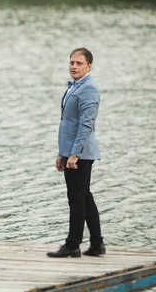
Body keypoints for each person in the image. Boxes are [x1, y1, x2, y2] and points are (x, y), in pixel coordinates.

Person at [47, 47, 105, 258]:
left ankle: (73, 244)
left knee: (76, 198)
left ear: (89, 66)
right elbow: (69, 123)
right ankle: (97, 244)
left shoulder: (89, 88)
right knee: (84, 196)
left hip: (80, 155)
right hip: (71, 152)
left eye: (79, 63)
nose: (73, 66)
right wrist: (63, 153)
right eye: (72, 62)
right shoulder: (76, 86)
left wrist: (74, 155)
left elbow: (86, 125)